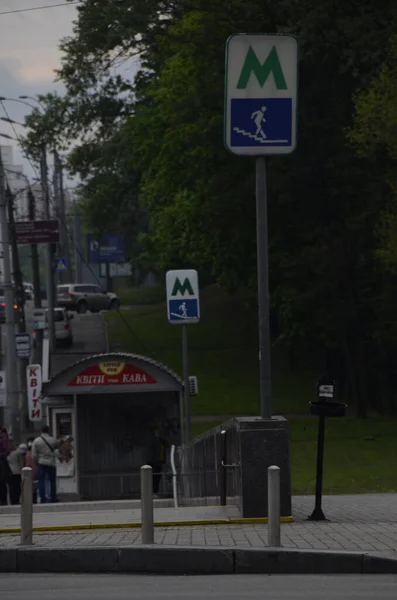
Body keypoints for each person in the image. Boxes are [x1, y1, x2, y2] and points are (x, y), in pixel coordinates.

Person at [32, 425, 59, 503]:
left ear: (41, 431)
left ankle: (43, 498)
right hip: (51, 463)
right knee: (52, 481)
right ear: (48, 430)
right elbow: (57, 451)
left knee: (41, 481)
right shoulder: (53, 440)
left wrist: (37, 462)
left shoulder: (36, 441)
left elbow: (34, 455)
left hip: (41, 463)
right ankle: (53, 498)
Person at [147, 427, 167, 498]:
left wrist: (163, 461)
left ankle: (155, 491)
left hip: (159, 462)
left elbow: (164, 449)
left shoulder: (161, 441)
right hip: (154, 462)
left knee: (157, 477)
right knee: (153, 477)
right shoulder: (152, 441)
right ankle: (153, 492)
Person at [0, 426, 11, 505]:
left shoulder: (3, 437)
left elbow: (6, 451)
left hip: (1, 462)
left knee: (2, 482)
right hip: (2, 461)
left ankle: (3, 501)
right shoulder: (4, 437)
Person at [25, 438, 38, 503]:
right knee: (34, 487)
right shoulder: (34, 453)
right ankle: (34, 500)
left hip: (29, 472)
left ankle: (32, 500)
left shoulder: (27, 454)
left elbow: (27, 463)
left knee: (31, 487)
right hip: (34, 471)